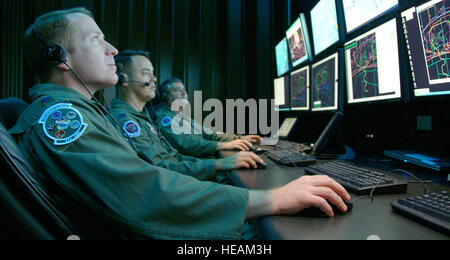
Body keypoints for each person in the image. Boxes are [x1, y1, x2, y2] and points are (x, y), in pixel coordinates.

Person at [10, 7, 351, 240]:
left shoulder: (84, 112)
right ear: (59, 56)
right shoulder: (62, 121)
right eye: (97, 39)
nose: (112, 49)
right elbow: (142, 190)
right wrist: (272, 199)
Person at [111, 50, 264, 183]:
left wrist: (235, 139)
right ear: (123, 79)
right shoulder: (128, 121)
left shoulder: (143, 117)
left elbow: (182, 152)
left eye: (153, 73)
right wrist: (218, 162)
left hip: (181, 176)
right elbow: (160, 166)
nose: (154, 79)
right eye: (145, 73)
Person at [152, 78, 263, 158]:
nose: (184, 93)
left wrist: (238, 138)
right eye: (177, 90)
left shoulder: (182, 117)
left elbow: (210, 133)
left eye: (184, 89)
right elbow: (188, 144)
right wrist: (224, 145)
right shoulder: (166, 119)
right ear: (164, 96)